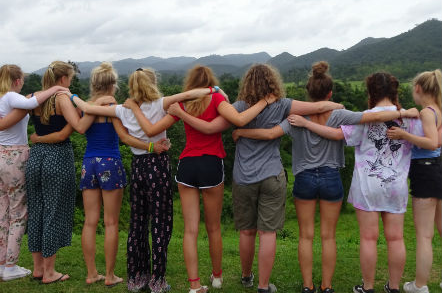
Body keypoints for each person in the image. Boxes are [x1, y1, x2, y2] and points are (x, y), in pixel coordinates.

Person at [232, 62, 419, 293]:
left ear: (308, 92)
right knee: (328, 237)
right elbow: (369, 117)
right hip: (332, 177)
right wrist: (402, 112)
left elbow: (271, 134)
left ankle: (308, 286)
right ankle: (327, 286)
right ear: (329, 93)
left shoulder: (295, 116)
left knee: (306, 236)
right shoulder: (339, 113)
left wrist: (241, 132)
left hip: (304, 178)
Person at [167, 64, 343, 293]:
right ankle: (263, 285)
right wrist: (338, 106)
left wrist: (237, 128)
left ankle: (246, 276)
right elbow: (318, 106)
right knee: (267, 233)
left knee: (247, 231)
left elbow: (216, 124)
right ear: (273, 82)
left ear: (247, 83)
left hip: (243, 176)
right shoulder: (283, 104)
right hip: (272, 174)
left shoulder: (238, 107)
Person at [128, 65, 281, 293]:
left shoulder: (181, 104)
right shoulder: (218, 98)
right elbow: (238, 119)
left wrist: (134, 110)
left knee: (191, 230)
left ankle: (194, 285)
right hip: (211, 165)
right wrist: (264, 102)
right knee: (214, 228)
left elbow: (152, 130)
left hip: (187, 166)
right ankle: (217, 277)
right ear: (211, 82)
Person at [71, 67, 216, 293]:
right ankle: (157, 280)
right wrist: (214, 89)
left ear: (132, 86)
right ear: (153, 83)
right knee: (160, 223)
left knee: (138, 224)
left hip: (138, 167)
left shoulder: (123, 110)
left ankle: (137, 277)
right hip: (157, 166)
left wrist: (72, 96)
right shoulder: (161, 104)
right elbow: (189, 95)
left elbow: (88, 108)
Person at [288, 72, 423, 293]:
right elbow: (428, 141)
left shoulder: (364, 116)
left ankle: (368, 287)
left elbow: (336, 135)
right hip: (396, 184)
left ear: (371, 91)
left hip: (367, 185)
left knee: (369, 239)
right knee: (396, 238)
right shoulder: (408, 117)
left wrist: (306, 123)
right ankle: (394, 287)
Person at [25, 60, 115, 284]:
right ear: (63, 80)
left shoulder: (33, 97)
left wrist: (36, 138)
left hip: (35, 157)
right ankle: (49, 272)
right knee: (54, 211)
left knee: (37, 210)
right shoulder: (61, 98)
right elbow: (77, 127)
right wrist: (91, 105)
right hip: (57, 158)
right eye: (71, 79)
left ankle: (37, 268)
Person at [0, 64, 68, 281]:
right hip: (15, 156)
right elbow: (30, 103)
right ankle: (10, 266)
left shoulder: (3, 98)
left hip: (1, 156)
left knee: (3, 213)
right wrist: (57, 89)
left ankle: (2, 262)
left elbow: (28, 103)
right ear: (17, 80)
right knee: (18, 213)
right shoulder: (11, 96)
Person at [386, 69, 442, 293]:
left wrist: (404, 135)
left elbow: (432, 143)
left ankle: (419, 285)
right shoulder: (437, 110)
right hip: (437, 169)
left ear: (418, 89)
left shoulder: (427, 112)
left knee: (425, 235)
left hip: (425, 172)